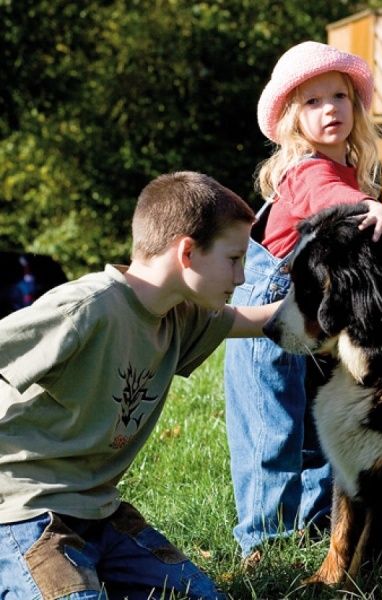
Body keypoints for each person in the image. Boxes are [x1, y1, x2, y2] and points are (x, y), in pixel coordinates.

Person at [0, 171, 277, 598]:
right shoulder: (87, 308)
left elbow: (266, 321)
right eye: (234, 259)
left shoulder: (182, 317)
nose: (241, 278)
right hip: (26, 514)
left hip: (101, 515)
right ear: (187, 251)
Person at [224, 40, 382, 561]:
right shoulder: (307, 170)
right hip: (273, 308)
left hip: (321, 315)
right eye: (313, 102)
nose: (330, 110)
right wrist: (369, 205)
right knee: (271, 426)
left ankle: (315, 521)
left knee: (316, 422)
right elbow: (331, 203)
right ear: (291, 121)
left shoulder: (343, 166)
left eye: (340, 97)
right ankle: (265, 540)